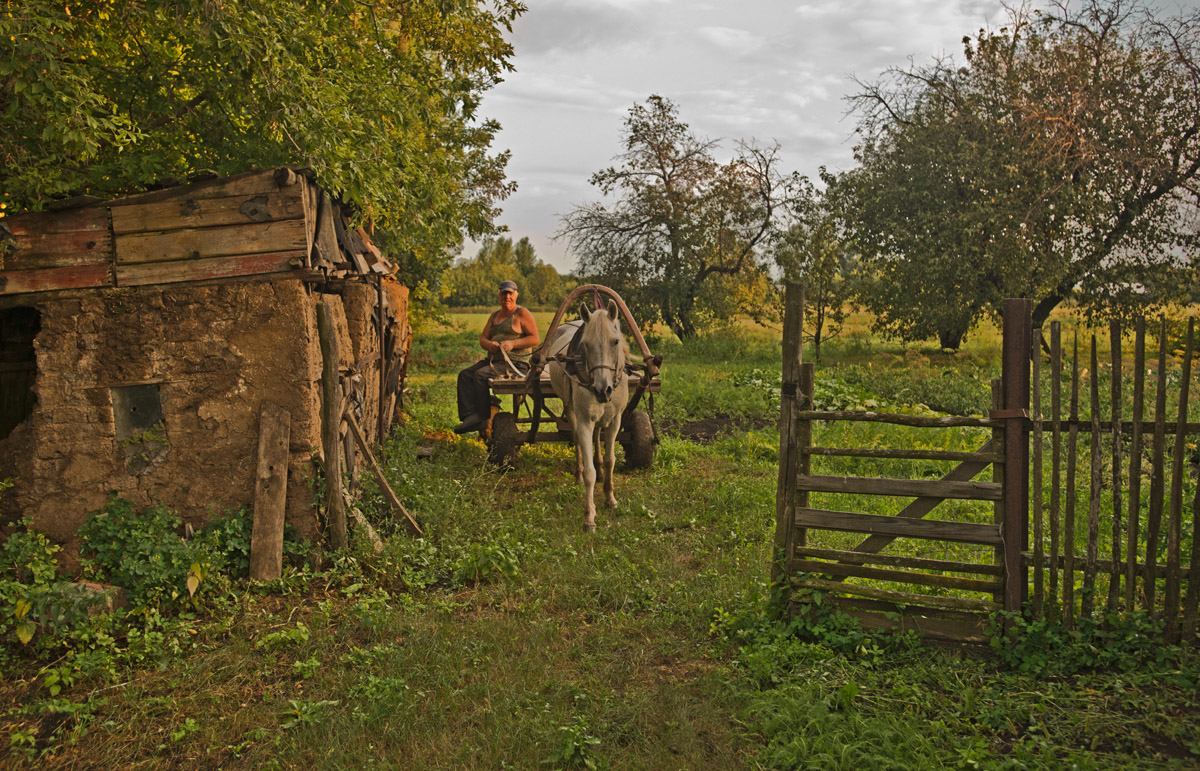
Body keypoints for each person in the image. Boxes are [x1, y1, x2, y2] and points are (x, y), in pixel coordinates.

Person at [454, 280, 540, 433]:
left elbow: (535, 338)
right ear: (499, 295)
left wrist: (513, 344)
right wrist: (490, 345)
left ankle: (482, 416)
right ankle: (469, 417)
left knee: (480, 375)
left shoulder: (521, 313)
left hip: (516, 364)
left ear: (516, 295)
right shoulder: (495, 316)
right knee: (465, 375)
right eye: (504, 293)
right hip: (494, 361)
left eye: (510, 293)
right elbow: (483, 339)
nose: (507, 297)